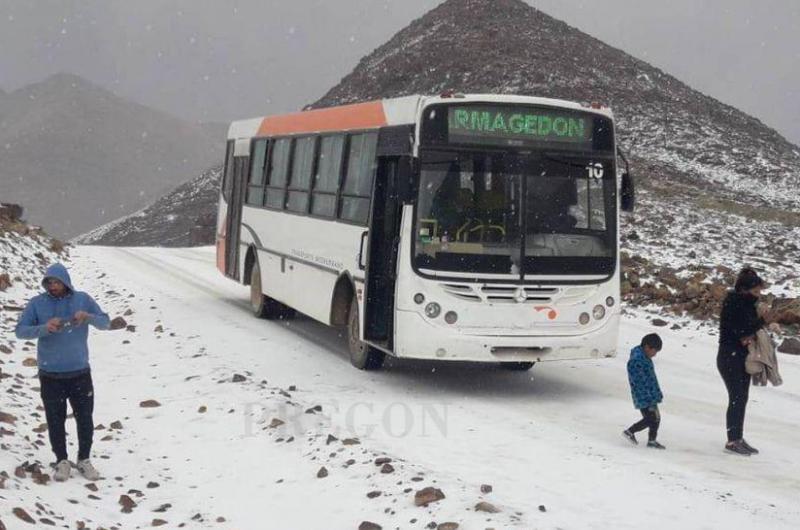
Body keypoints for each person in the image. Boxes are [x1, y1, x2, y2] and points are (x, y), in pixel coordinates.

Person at [15, 263, 111, 481]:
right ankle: (62, 461)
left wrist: (88, 317)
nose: (53, 286)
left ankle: (84, 460)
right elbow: (20, 331)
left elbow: (106, 323)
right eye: (49, 282)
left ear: (65, 281)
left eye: (57, 282)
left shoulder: (82, 299)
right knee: (55, 420)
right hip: (50, 375)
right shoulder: (37, 304)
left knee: (85, 418)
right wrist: (44, 328)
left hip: (79, 372)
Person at [717, 267, 779, 456]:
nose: (758, 295)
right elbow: (741, 330)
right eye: (755, 291)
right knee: (737, 398)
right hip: (730, 356)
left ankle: (737, 437)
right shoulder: (735, 304)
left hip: (739, 356)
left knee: (741, 398)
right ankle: (732, 440)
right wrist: (762, 321)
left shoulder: (745, 304)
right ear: (744, 290)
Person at [622, 333, 666, 449]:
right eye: (654, 351)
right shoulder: (637, 360)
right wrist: (649, 396)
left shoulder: (645, 357)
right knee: (650, 418)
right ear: (647, 347)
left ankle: (652, 440)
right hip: (644, 396)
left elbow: (650, 377)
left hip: (651, 394)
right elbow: (640, 382)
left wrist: (656, 392)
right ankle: (630, 431)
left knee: (656, 418)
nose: (655, 355)